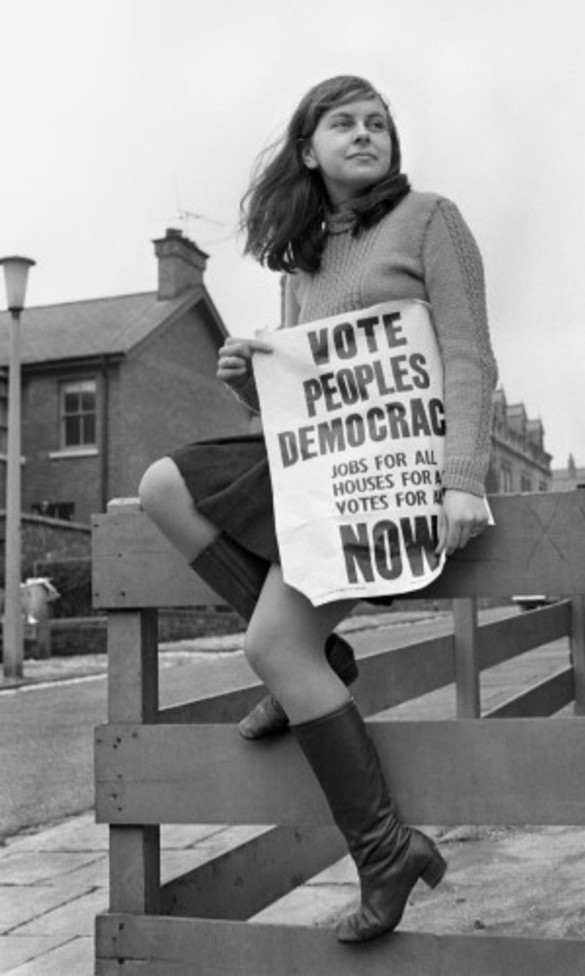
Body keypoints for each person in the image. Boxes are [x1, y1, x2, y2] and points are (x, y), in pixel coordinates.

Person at [139, 74, 498, 943]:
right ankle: (322, 657)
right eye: (345, 123)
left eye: (379, 123)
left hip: (396, 470)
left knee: (270, 644)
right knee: (162, 486)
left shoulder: (433, 220)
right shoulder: (302, 259)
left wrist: (462, 477)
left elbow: (468, 356)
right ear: (310, 147)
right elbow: (304, 401)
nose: (366, 134)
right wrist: (248, 383)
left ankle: (384, 849)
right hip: (321, 465)